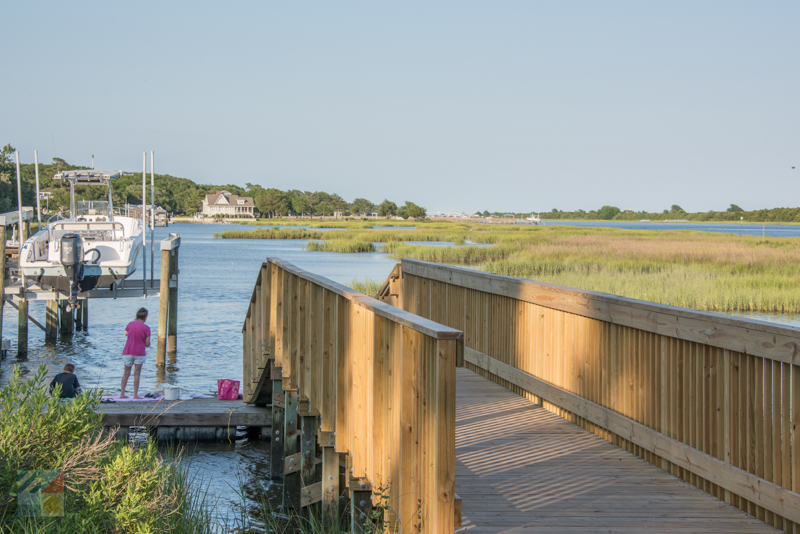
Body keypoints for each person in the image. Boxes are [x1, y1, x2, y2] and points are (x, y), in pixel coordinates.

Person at [120, 307, 151, 400]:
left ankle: (122, 393)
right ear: (145, 318)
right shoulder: (147, 328)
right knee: (137, 374)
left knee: (126, 373)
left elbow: (127, 333)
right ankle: (135, 395)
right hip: (139, 352)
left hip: (128, 351)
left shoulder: (130, 324)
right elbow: (147, 344)